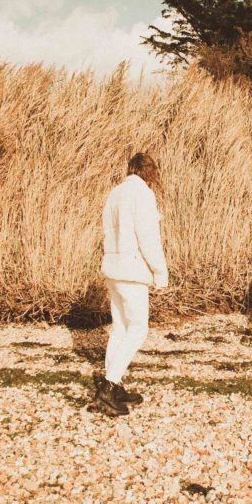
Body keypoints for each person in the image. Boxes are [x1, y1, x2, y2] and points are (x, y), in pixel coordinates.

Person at [91, 152, 169, 417]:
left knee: (120, 327)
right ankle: (109, 386)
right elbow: (147, 237)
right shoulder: (143, 195)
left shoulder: (115, 193)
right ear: (150, 173)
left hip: (113, 267)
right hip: (132, 269)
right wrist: (160, 271)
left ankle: (115, 384)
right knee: (137, 329)